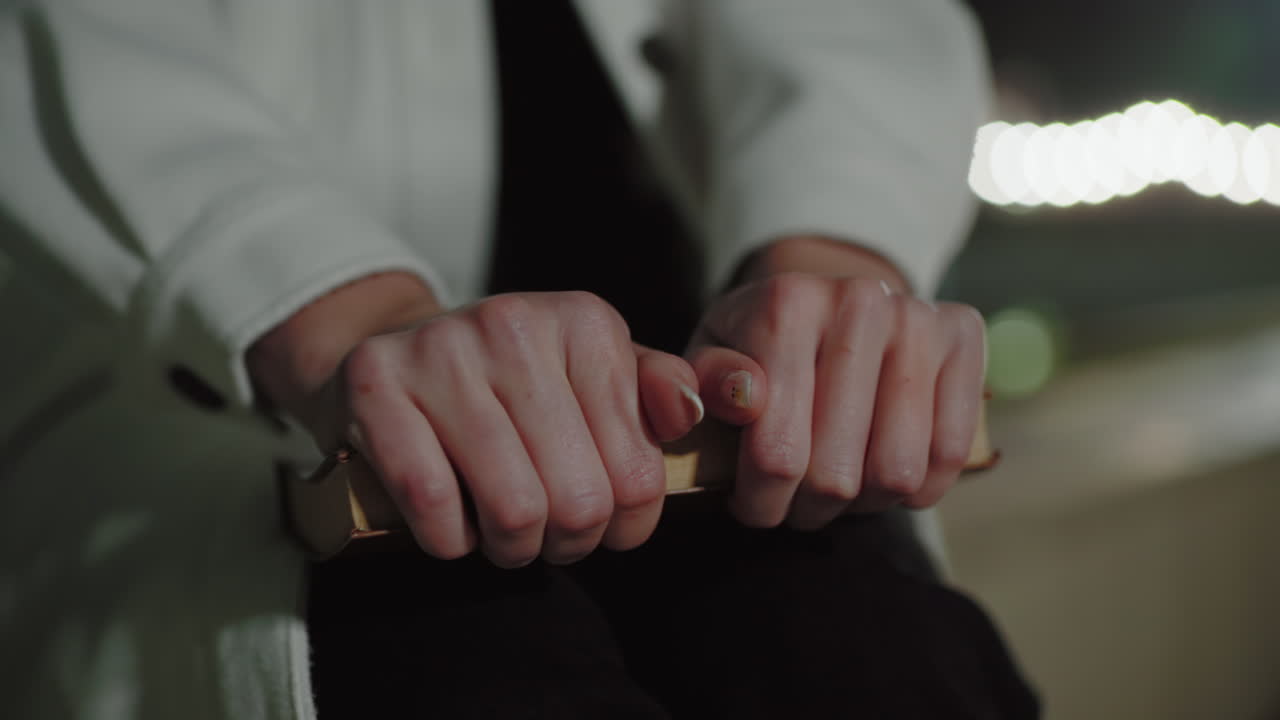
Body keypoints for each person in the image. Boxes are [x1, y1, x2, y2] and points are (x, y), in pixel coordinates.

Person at [0, 1, 1037, 717]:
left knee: (865, 657)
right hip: (220, 442)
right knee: (476, 670)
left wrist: (825, 283)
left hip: (704, 441)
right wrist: (339, 313)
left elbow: (841, 26)